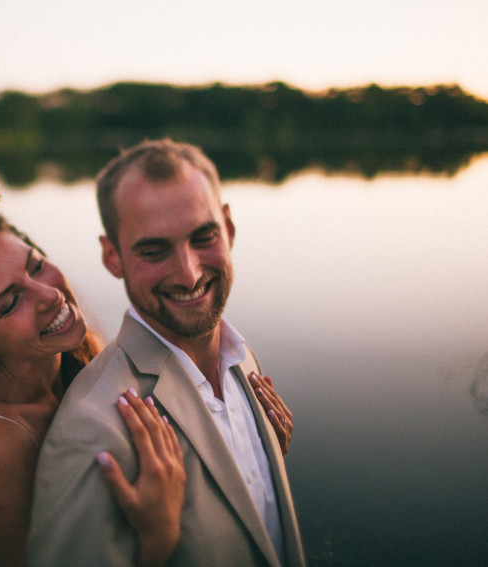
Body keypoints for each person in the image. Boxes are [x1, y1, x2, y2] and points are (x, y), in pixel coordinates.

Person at [0, 189, 294, 567]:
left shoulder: (83, 362)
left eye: (36, 265)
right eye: (10, 302)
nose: (48, 295)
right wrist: (157, 538)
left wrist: (250, 442)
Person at [29, 139, 305, 566]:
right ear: (112, 257)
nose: (188, 273)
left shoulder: (243, 361)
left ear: (228, 228)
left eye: (204, 236)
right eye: (154, 250)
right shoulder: (91, 429)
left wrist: (260, 448)